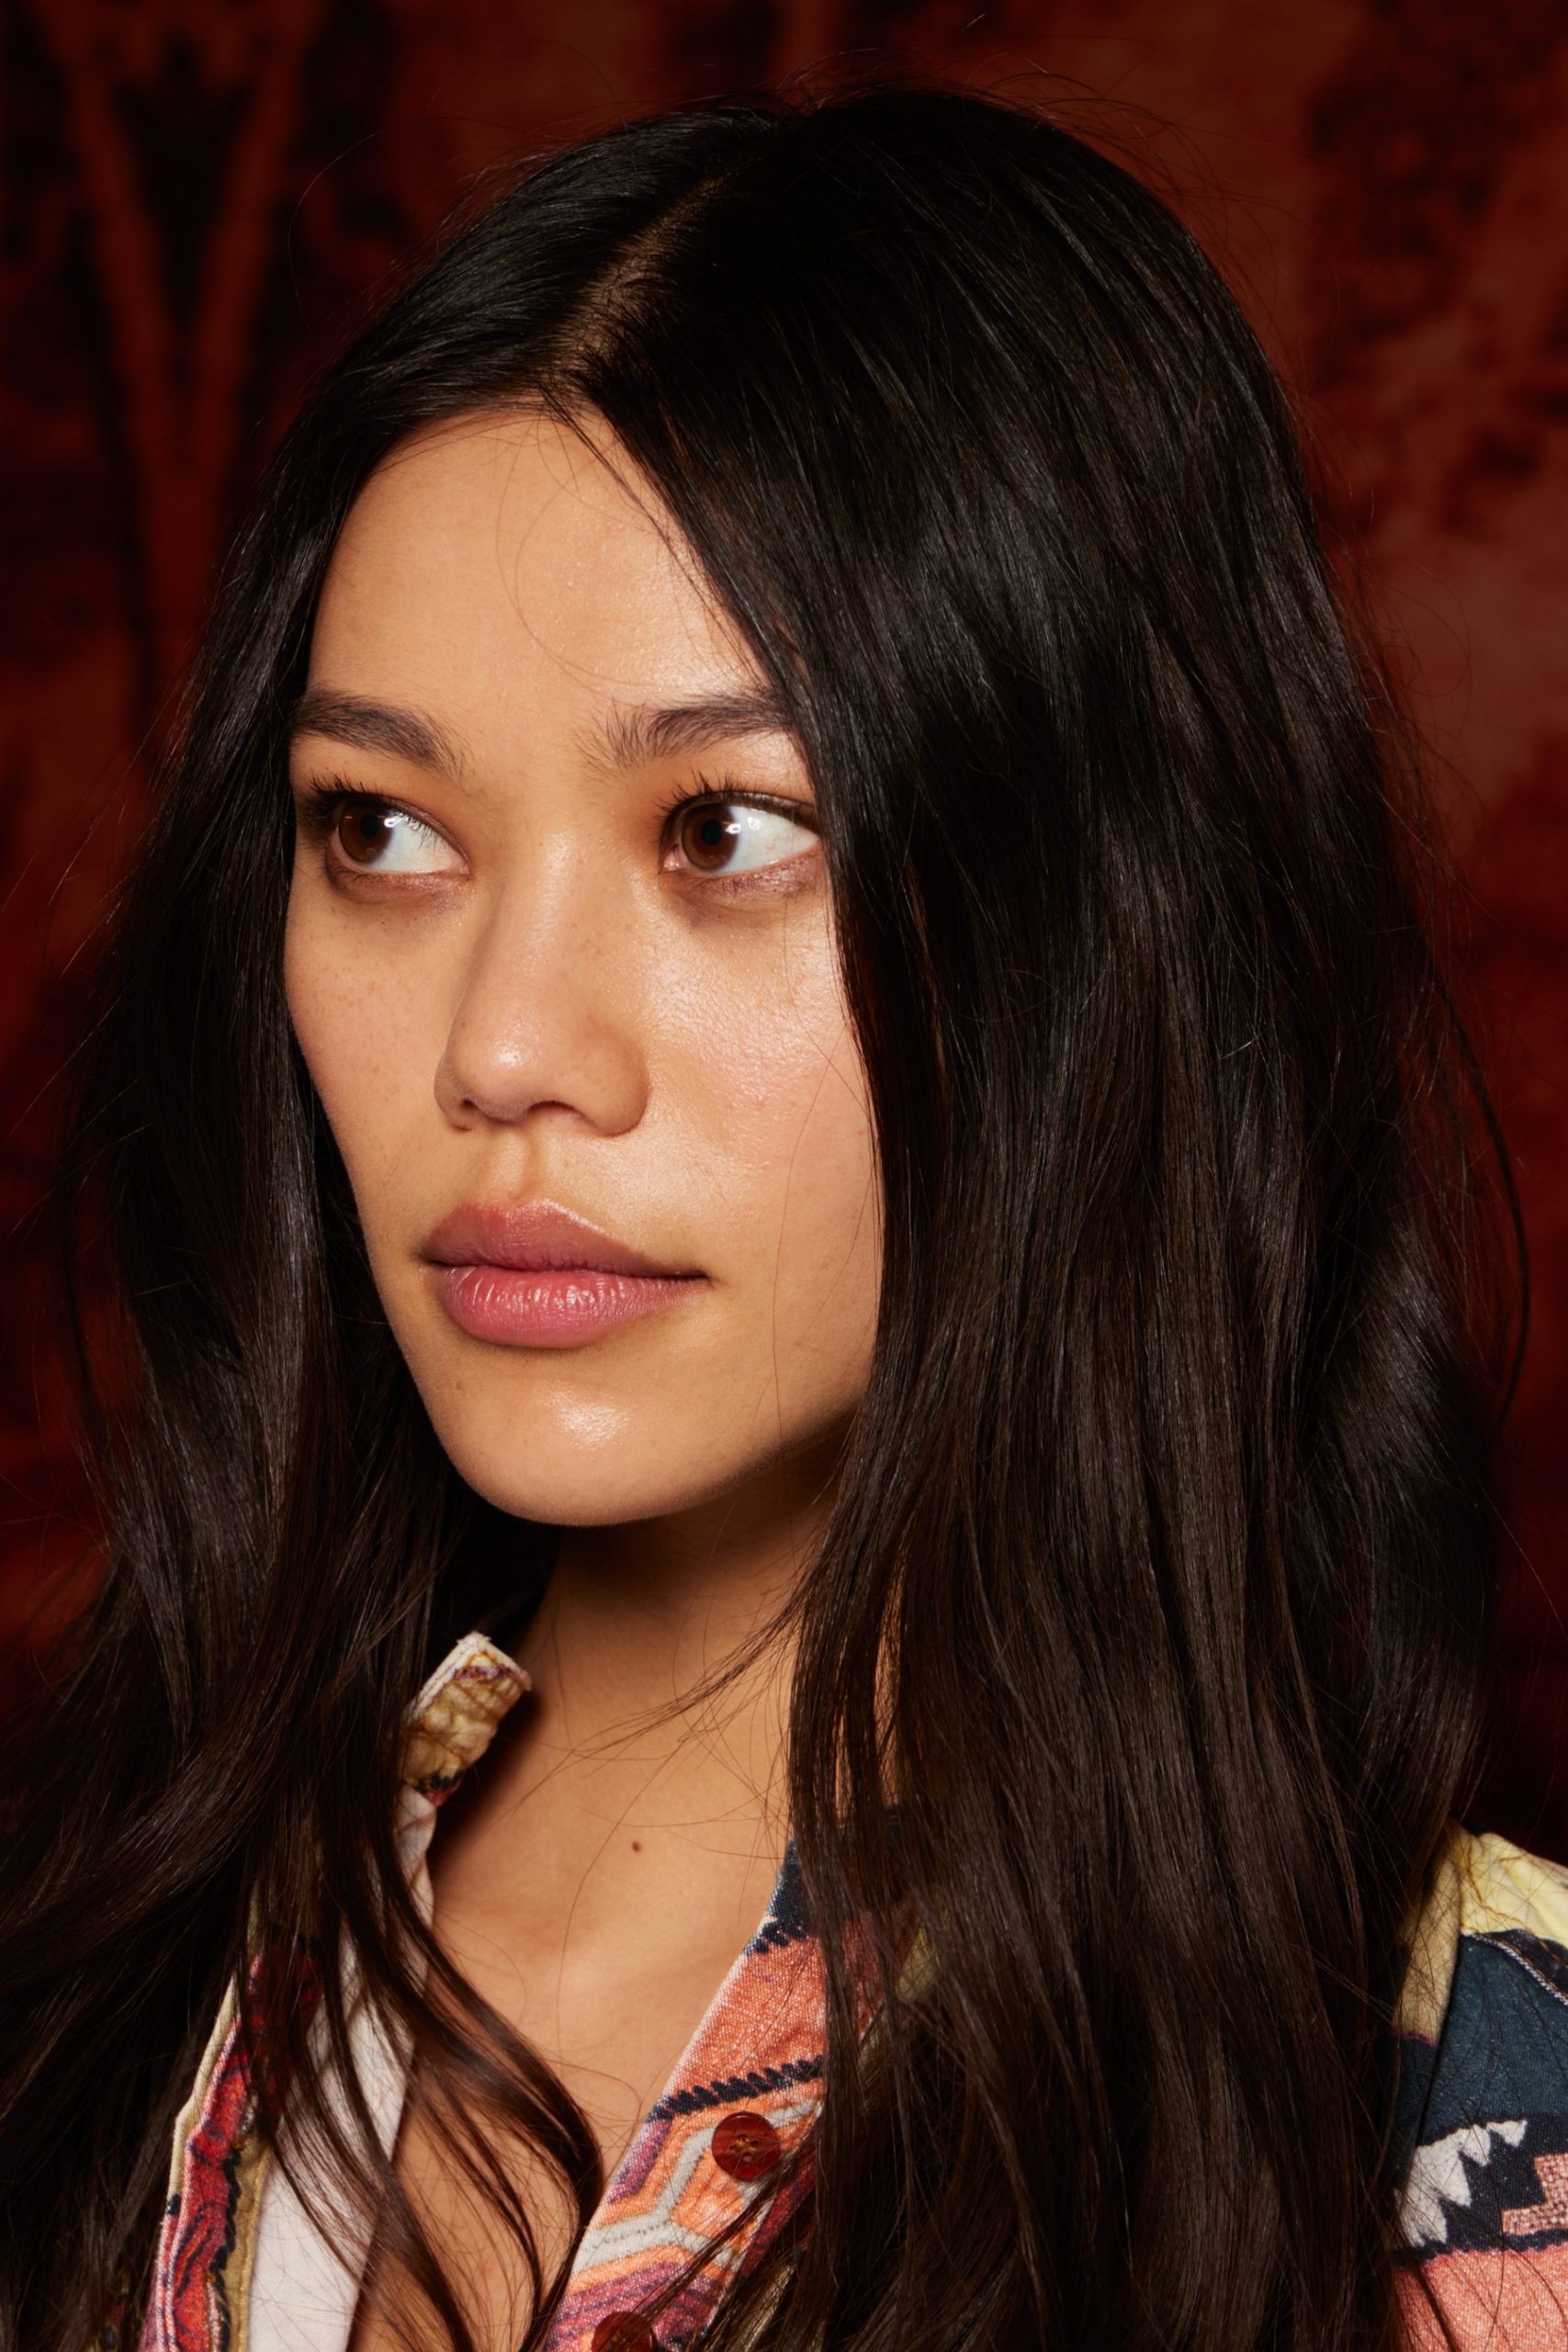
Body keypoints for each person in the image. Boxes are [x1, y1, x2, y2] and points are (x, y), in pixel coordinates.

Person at [0, 75, 1562, 2352]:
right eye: (379, 831)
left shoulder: (1462, 2112)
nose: (502, 1048)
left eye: (724, 830)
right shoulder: (97, 1967)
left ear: (1099, 922)